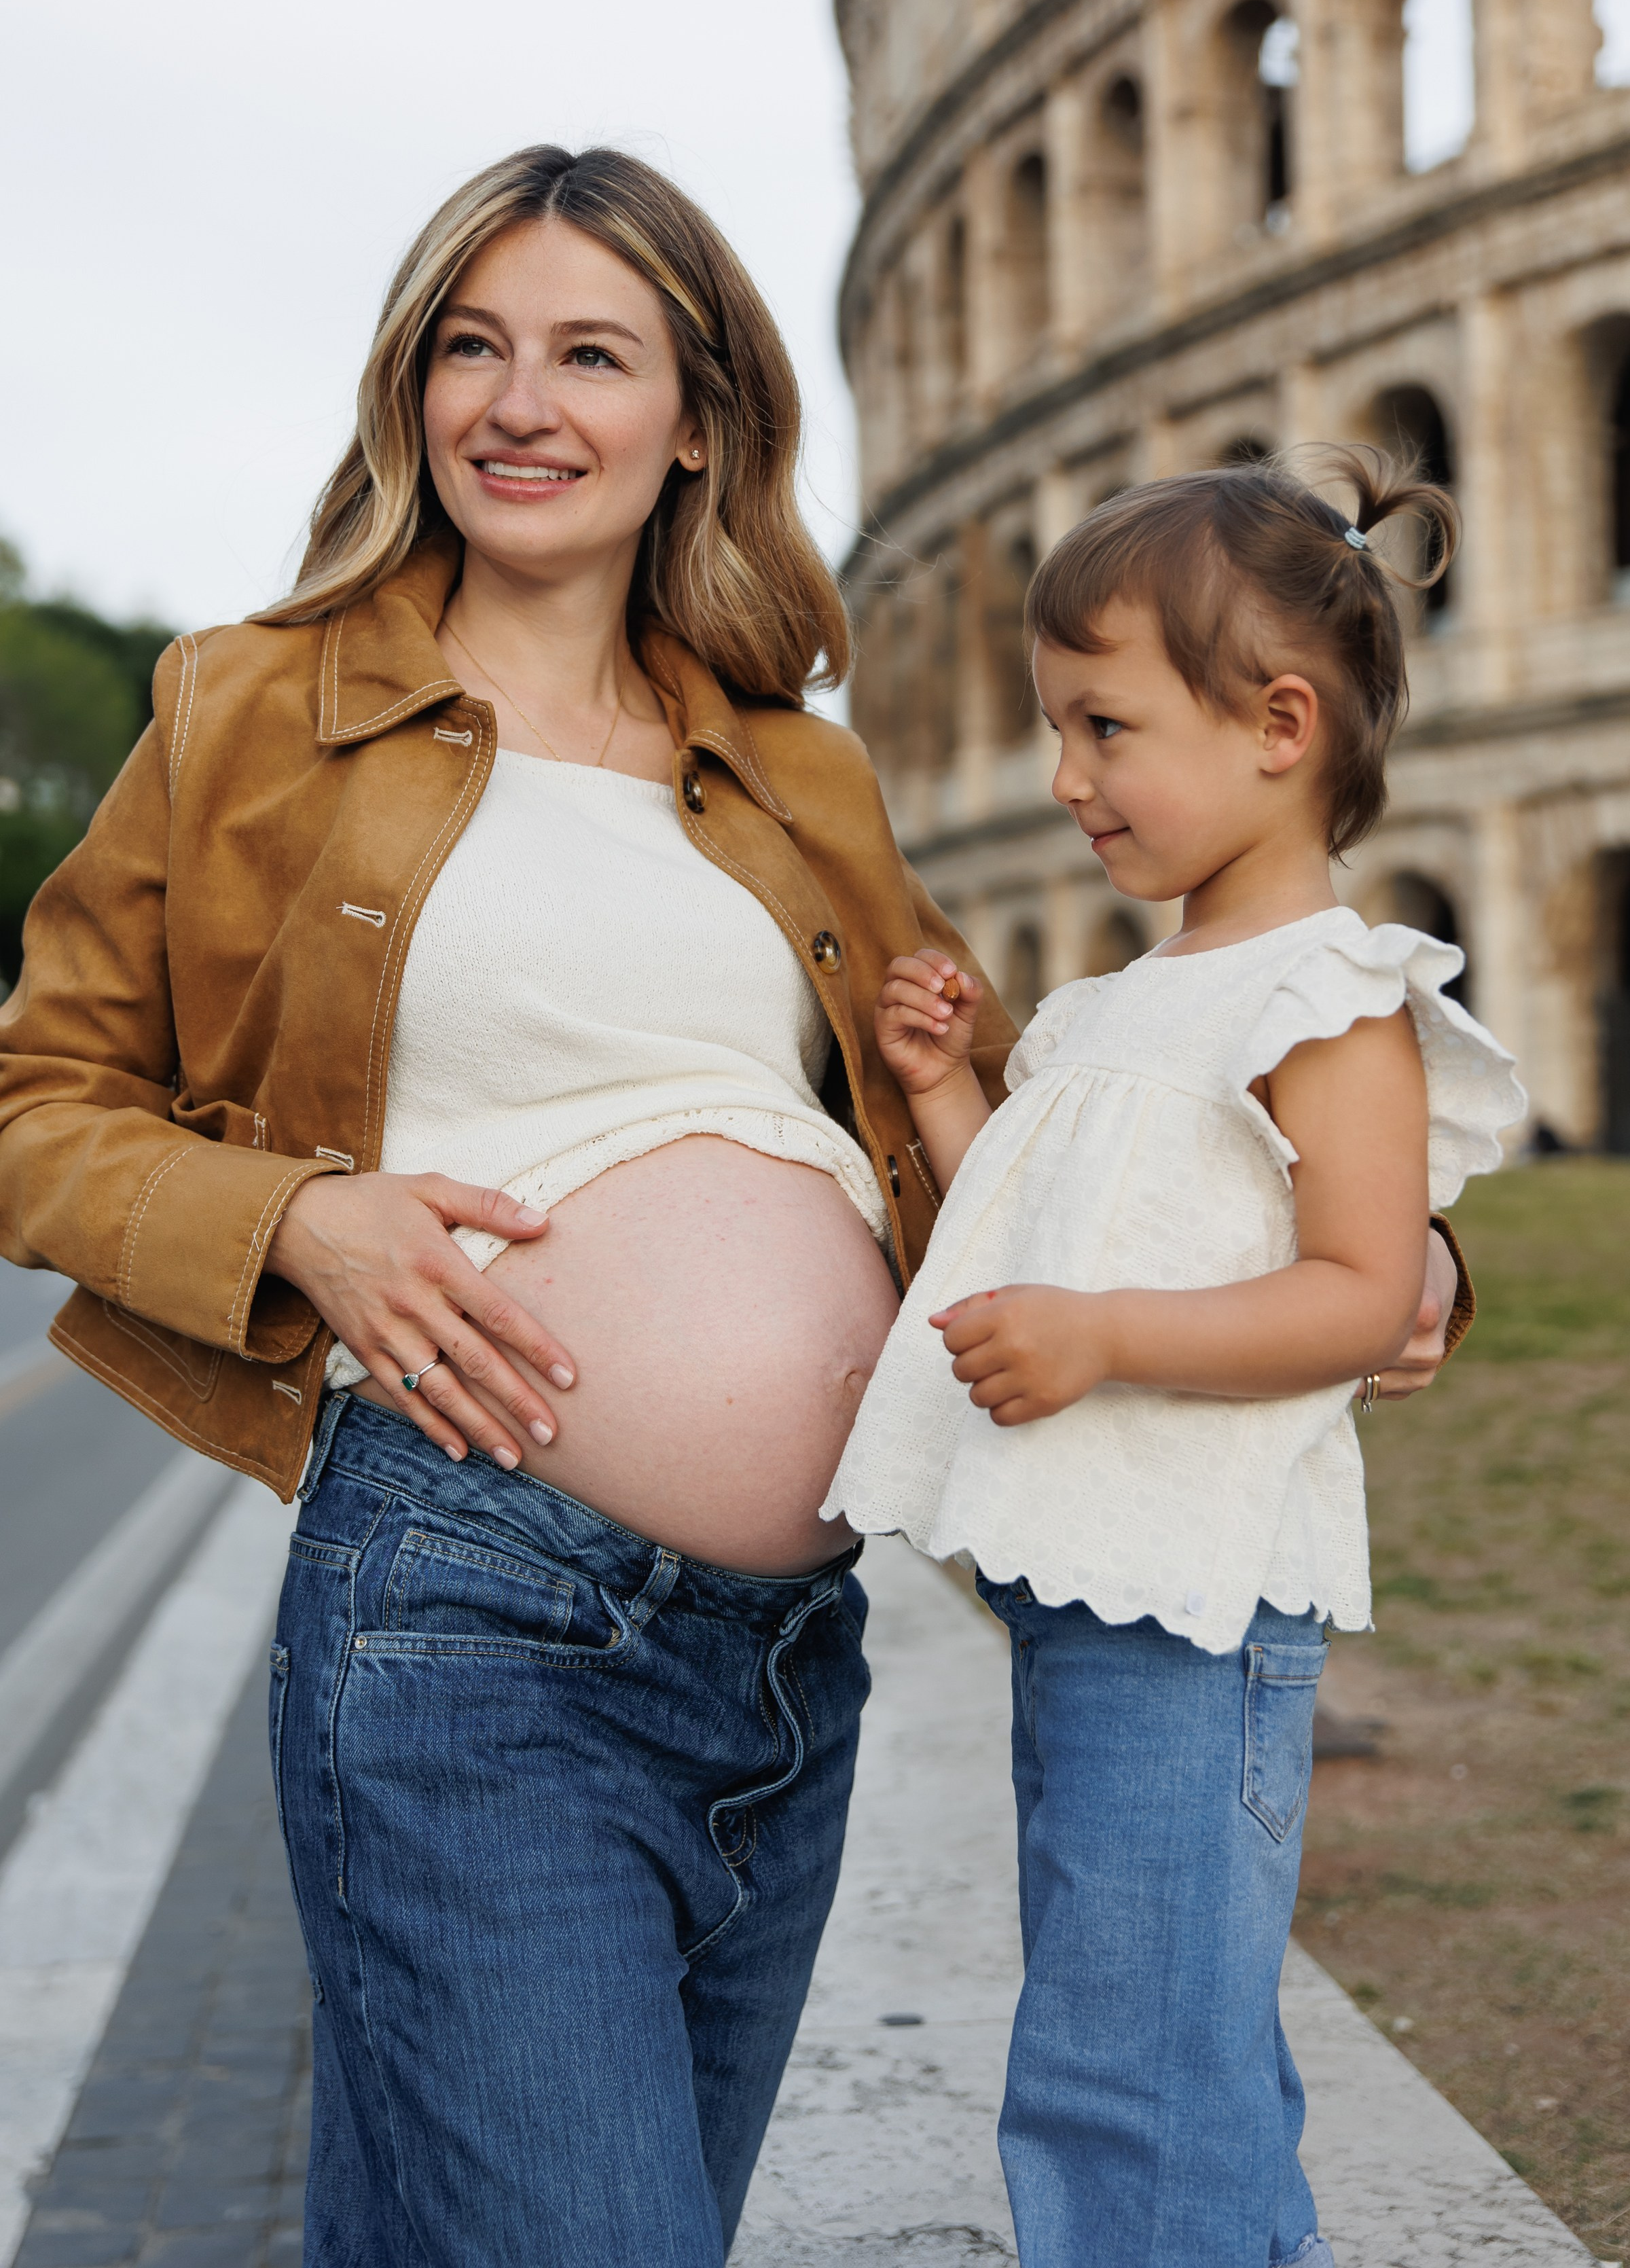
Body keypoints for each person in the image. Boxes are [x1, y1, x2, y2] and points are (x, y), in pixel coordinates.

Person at [0, 145, 1026, 2267]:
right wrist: (302, 1226)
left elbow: (956, 1160)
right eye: (473, 346)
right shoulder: (252, 705)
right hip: (468, 1617)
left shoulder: (795, 771)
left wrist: (1382, 1249)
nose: (520, 402)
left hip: (785, 1670)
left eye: (589, 352)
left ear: (699, 420)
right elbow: (36, 1102)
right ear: (409, 388)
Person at [823, 451, 1523, 2268]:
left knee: (1139, 2069)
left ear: (1280, 722)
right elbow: (1030, 1255)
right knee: (1129, 2042)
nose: (1068, 780)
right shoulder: (1128, 999)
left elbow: (1364, 1293)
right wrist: (950, 1092)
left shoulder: (1330, 995)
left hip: (1200, 1613)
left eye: (1106, 727)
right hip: (1096, 1599)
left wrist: (1111, 1340)